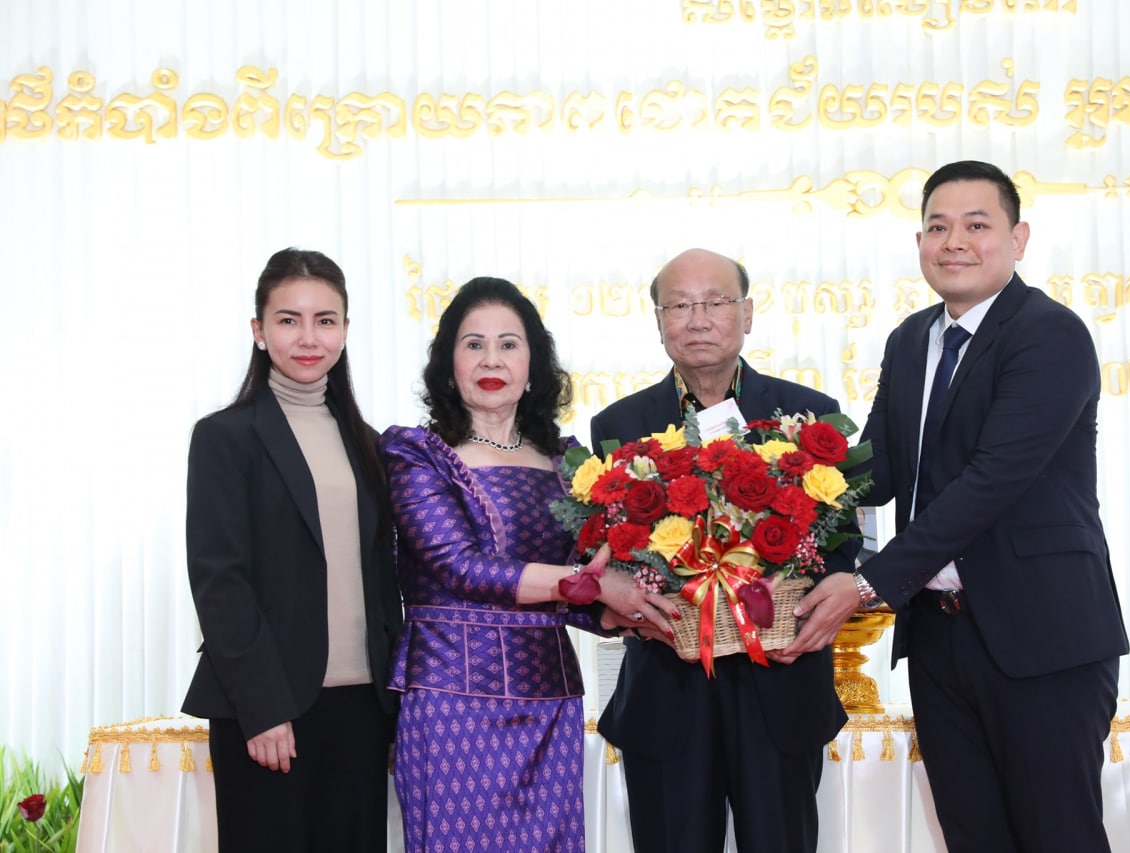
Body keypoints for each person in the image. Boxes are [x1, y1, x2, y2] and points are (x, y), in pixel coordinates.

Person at [851, 160, 1130, 852]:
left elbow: (992, 481)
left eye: (977, 225)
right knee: (972, 836)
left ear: (1018, 238)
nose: (955, 242)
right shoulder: (910, 339)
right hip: (938, 637)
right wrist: (773, 482)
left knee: (1058, 836)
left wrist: (867, 584)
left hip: (1042, 635)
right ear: (919, 241)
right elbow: (876, 469)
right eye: (938, 227)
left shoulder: (1049, 334)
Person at [380, 276, 675, 853]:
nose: (492, 359)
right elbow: (460, 568)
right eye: (474, 344)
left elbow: (580, 588)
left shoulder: (568, 462)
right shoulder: (416, 453)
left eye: (509, 344)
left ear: (534, 365)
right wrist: (594, 586)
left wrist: (631, 612)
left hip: (549, 698)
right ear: (448, 365)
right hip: (450, 700)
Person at [590, 248, 862, 853]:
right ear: (659, 321)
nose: (698, 319)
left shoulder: (810, 415)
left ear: (747, 313)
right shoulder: (619, 425)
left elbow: (842, 545)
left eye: (715, 302)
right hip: (668, 683)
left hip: (780, 681)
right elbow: (607, 550)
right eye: (679, 305)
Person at [182, 248, 402, 852]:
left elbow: (385, 584)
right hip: (270, 710)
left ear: (345, 330)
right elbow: (220, 582)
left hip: (363, 709)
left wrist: (393, 710)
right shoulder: (225, 437)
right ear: (259, 330)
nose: (309, 337)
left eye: (325, 320)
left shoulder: (372, 445)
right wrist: (262, 708)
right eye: (288, 320)